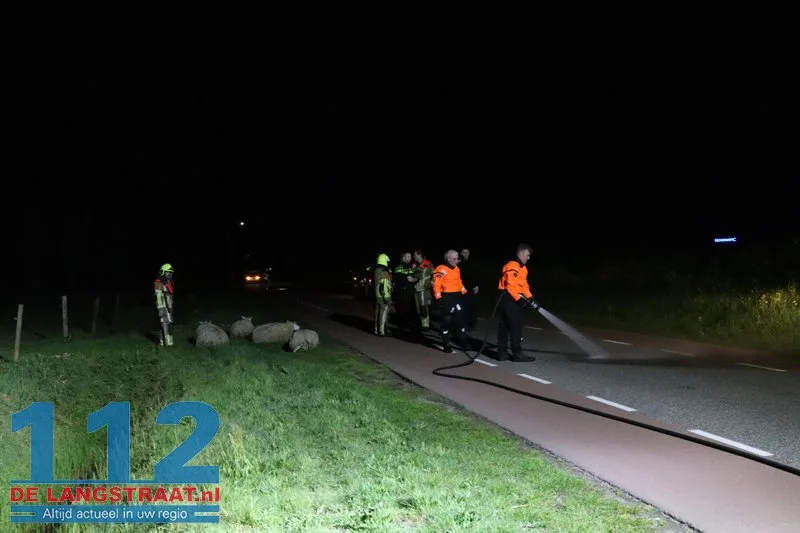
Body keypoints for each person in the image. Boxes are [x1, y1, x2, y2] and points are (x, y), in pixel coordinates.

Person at [496, 244, 537, 362]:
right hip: (507, 298)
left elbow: (523, 285)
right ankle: (517, 354)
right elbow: (511, 285)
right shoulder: (512, 265)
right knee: (515, 326)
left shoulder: (523, 268)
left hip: (511, 298)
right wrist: (519, 300)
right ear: (521, 253)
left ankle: (502, 354)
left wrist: (530, 297)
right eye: (528, 255)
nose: (529, 258)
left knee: (504, 325)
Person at [432, 249, 468, 353]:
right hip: (446, 298)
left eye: (457, 258)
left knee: (461, 320)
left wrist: (464, 292)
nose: (457, 260)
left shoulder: (457, 269)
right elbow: (436, 285)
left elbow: (459, 282)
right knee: (446, 322)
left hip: (457, 297)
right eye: (455, 258)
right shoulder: (441, 269)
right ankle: (446, 344)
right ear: (448, 259)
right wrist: (438, 298)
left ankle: (463, 342)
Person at [392, 252, 419, 333]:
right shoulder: (399, 266)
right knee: (402, 310)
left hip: (409, 292)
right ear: (403, 257)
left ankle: (406, 325)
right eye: (408, 256)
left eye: (410, 256)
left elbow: (413, 276)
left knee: (408, 310)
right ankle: (401, 327)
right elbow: (408, 277)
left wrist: (414, 276)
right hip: (401, 292)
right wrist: (415, 277)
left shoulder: (409, 267)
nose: (410, 258)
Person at [411, 249, 434, 331]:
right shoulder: (414, 265)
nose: (413, 257)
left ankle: (426, 325)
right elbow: (414, 276)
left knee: (424, 307)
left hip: (424, 289)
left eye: (415, 255)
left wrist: (431, 284)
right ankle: (421, 323)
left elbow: (434, 275)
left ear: (419, 255)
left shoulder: (428, 263)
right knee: (418, 308)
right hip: (417, 289)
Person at [154, 263, 175, 347]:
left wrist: (170, 307)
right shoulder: (158, 282)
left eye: (170, 273)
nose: (169, 274)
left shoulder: (168, 282)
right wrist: (161, 308)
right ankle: (165, 343)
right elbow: (158, 296)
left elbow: (170, 294)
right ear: (163, 272)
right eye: (167, 272)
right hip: (163, 306)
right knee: (164, 323)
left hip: (168, 307)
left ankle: (169, 342)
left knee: (169, 323)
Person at [372, 253, 393, 336]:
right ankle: (382, 331)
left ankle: (377, 330)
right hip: (384, 295)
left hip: (377, 294)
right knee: (383, 313)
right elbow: (384, 285)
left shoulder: (376, 270)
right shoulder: (384, 270)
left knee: (377, 312)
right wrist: (387, 299)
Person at [459, 248, 479, 332]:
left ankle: (472, 325)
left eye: (467, 252)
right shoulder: (459, 263)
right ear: (461, 253)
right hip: (461, 287)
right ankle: (463, 323)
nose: (465, 254)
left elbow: (477, 274)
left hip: (471, 287)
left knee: (472, 307)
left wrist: (477, 285)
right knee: (463, 306)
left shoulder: (473, 262)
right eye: (464, 252)